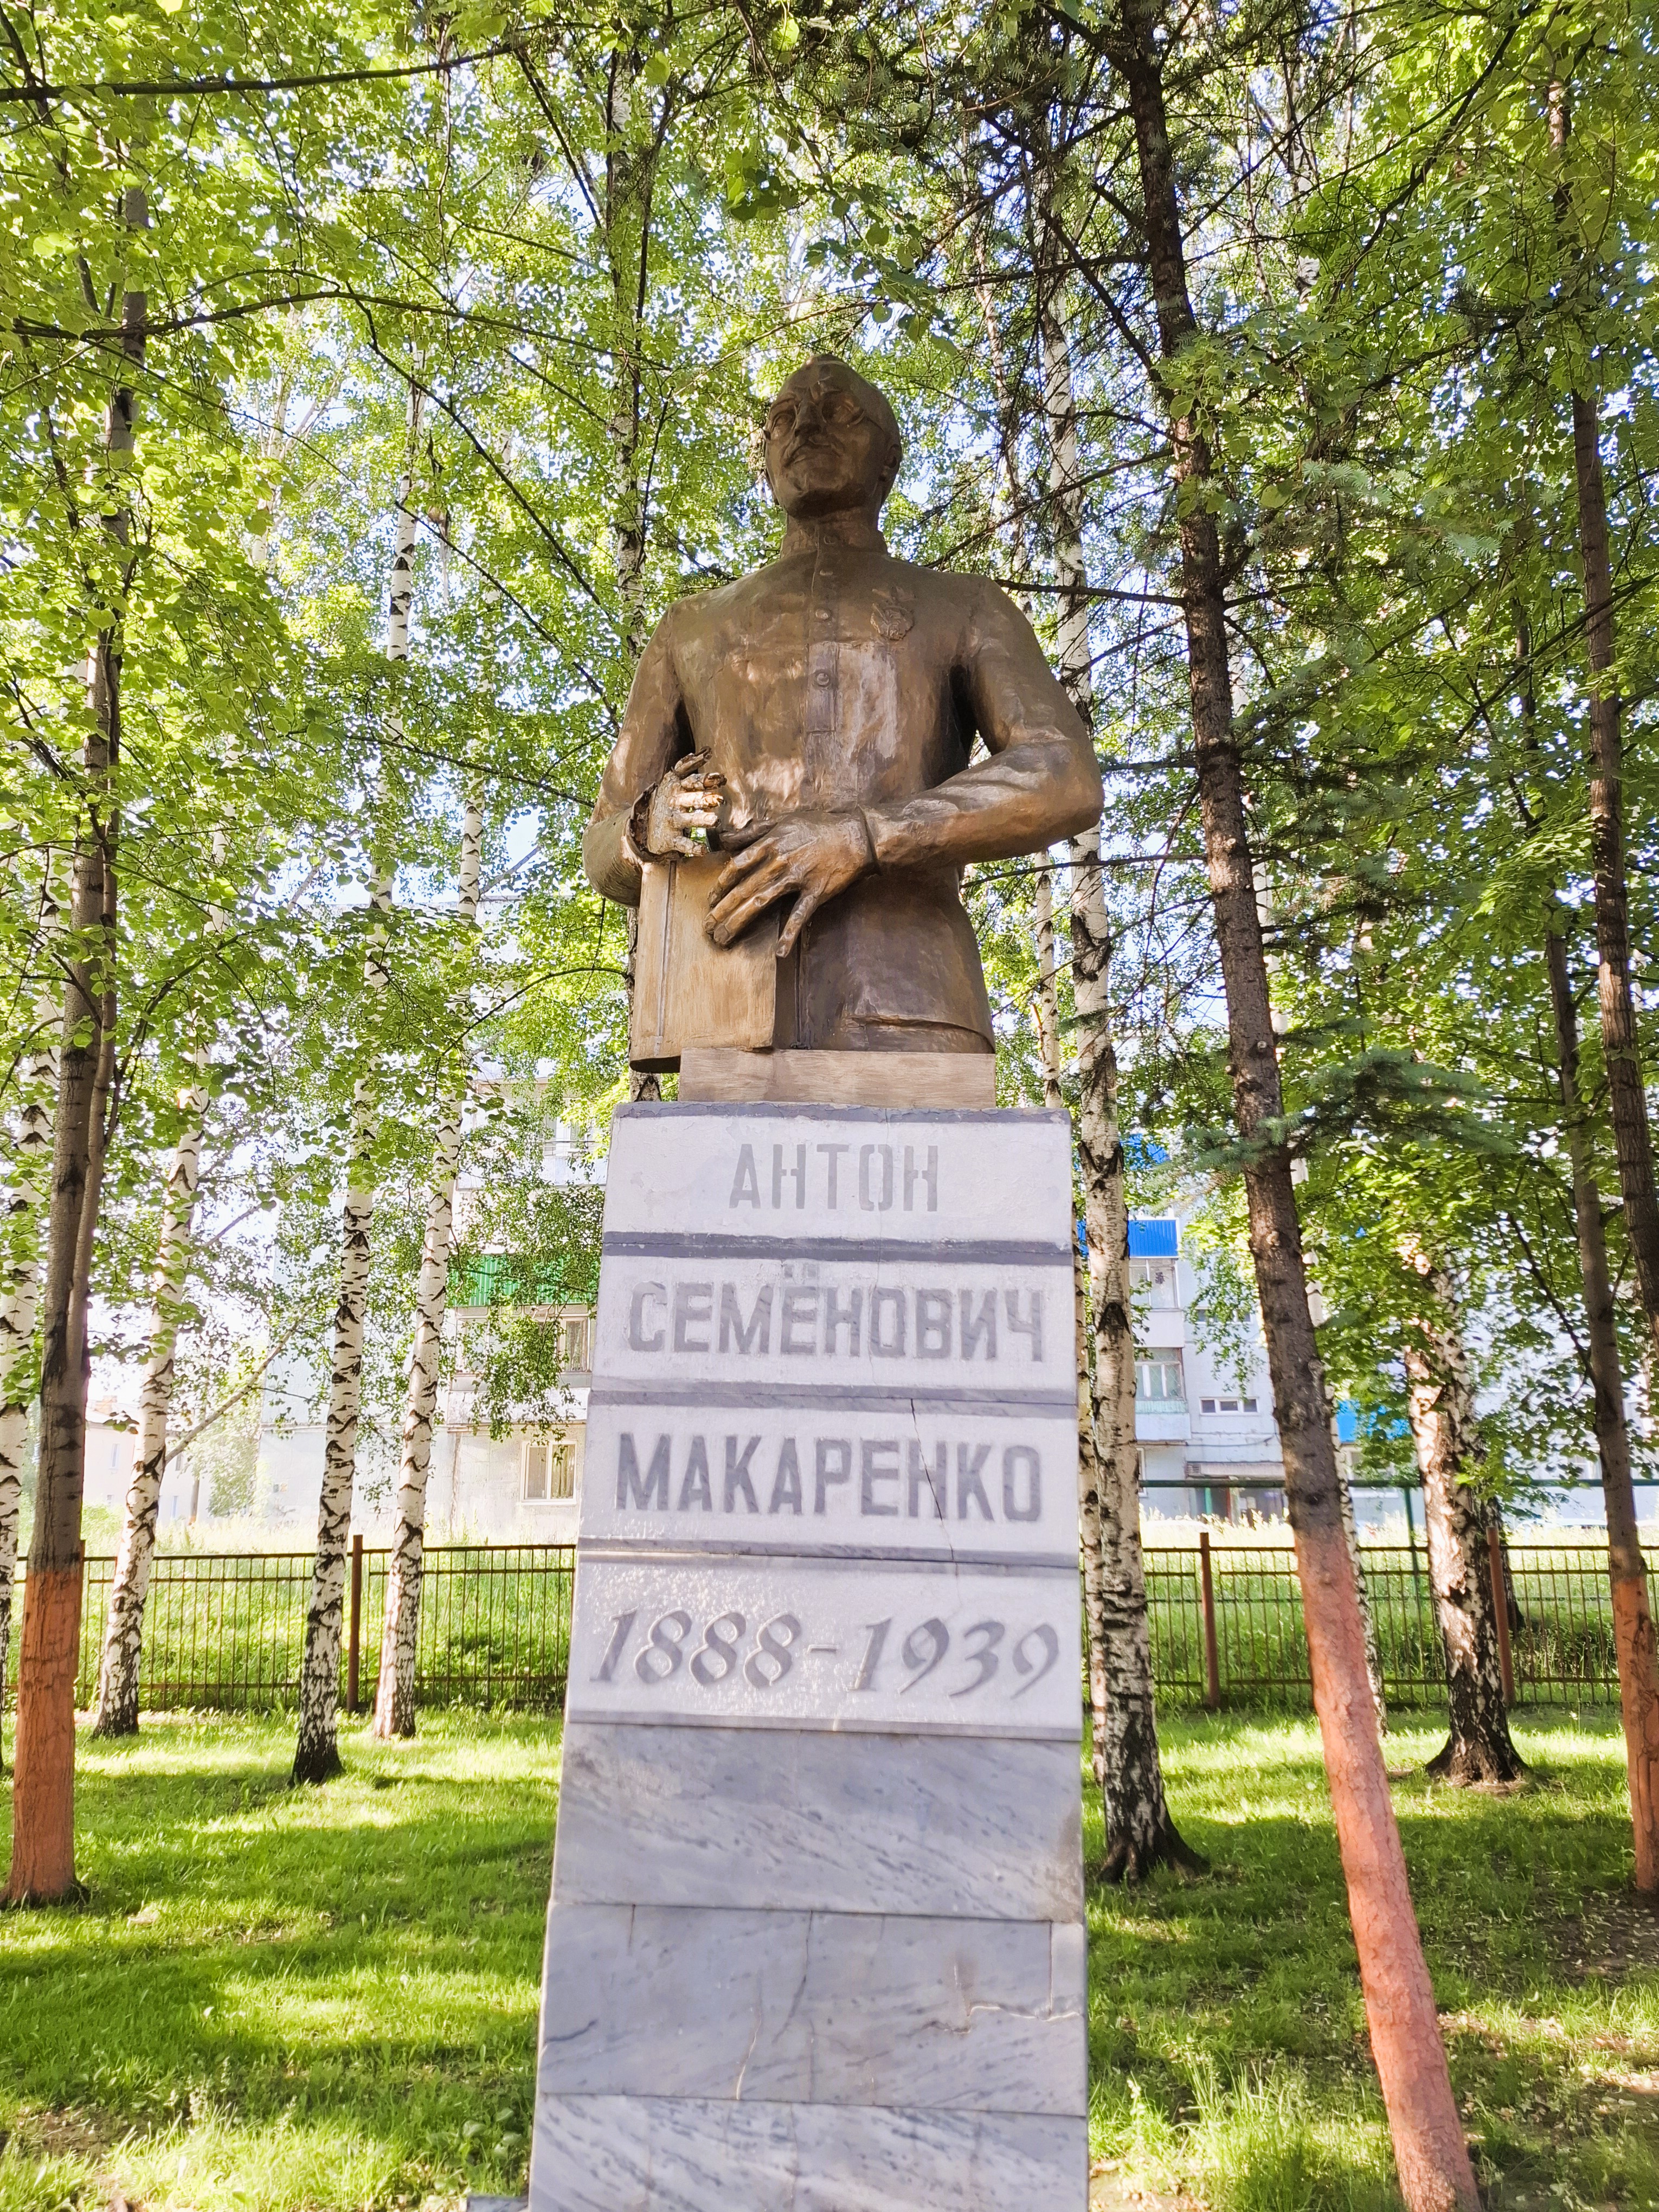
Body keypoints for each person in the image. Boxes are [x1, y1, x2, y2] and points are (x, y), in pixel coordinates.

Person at [582, 354, 1103, 1054]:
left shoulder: (965, 606)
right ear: (765, 465)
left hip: (911, 995)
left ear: (888, 462)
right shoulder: (690, 627)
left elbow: (1063, 775)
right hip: (721, 1006)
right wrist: (650, 825)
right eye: (783, 419)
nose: (806, 428)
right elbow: (602, 844)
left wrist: (864, 836)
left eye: (840, 413)